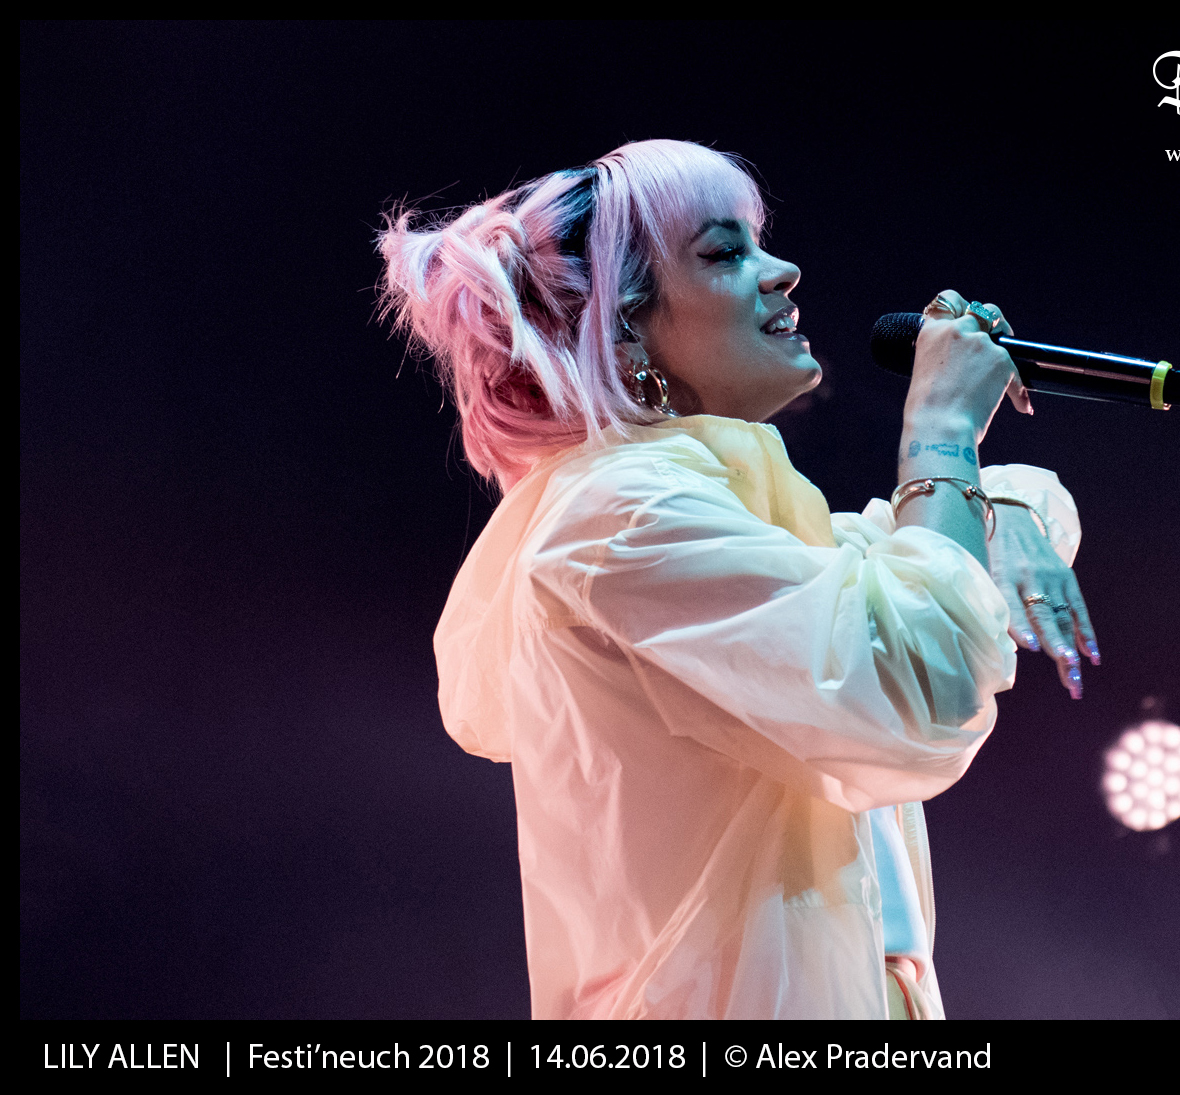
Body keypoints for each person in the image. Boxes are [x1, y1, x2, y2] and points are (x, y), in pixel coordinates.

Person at [377, 139, 1097, 1020]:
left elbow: (926, 549)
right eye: (725, 253)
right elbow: (919, 678)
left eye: (761, 243)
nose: (784, 271)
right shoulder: (621, 521)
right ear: (623, 330)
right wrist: (943, 430)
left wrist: (1000, 508)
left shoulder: (733, 528)